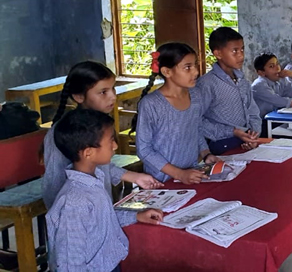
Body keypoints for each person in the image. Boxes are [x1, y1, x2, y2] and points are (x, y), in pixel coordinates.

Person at [47, 109, 163, 272]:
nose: (115, 145)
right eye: (110, 141)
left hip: (107, 262)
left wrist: (136, 216)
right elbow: (70, 262)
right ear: (88, 153)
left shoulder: (95, 179)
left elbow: (102, 219)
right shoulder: (74, 202)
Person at [42, 61, 162, 209]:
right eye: (103, 92)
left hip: (98, 208)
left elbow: (97, 166)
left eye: (113, 89)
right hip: (75, 214)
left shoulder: (99, 124)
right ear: (79, 97)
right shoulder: (65, 130)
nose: (112, 97)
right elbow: (55, 181)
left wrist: (132, 176)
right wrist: (64, 214)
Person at [134, 43, 222, 183]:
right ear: (167, 72)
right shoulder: (151, 104)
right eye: (187, 67)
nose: (196, 72)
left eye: (195, 65)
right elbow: (144, 150)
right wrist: (179, 174)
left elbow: (196, 129)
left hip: (191, 174)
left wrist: (206, 154)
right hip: (160, 181)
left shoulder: (196, 96)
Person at [197, 27, 262, 154]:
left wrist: (254, 135)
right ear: (218, 54)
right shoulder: (206, 84)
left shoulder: (242, 80)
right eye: (235, 51)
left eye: (242, 49)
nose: (241, 55)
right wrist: (232, 131)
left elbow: (253, 112)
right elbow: (197, 121)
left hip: (248, 141)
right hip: (222, 143)